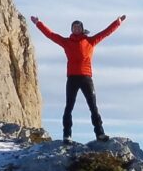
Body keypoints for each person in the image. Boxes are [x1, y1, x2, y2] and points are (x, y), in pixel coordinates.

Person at [31, 14, 125, 142]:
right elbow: (50, 35)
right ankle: (67, 135)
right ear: (71, 29)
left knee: (93, 106)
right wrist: (38, 23)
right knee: (69, 106)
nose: (76, 29)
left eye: (78, 27)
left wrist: (118, 22)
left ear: (82, 29)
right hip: (72, 78)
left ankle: (100, 134)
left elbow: (105, 33)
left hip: (86, 78)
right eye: (74, 27)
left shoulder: (90, 41)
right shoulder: (66, 42)